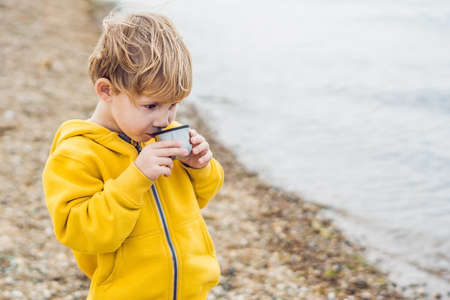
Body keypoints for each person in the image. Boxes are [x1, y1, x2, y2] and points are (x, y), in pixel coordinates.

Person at [42, 11, 224, 300]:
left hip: (191, 292)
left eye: (173, 105)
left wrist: (200, 167)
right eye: (151, 106)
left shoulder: (162, 132)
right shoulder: (77, 154)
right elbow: (81, 232)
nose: (165, 119)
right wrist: (136, 178)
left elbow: (198, 198)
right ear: (106, 90)